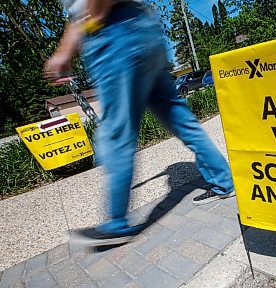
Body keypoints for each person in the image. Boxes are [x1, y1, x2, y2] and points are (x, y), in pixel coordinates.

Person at [44, 0, 234, 246]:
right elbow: (75, 16)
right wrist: (64, 53)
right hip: (142, 31)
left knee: (118, 133)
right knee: (181, 119)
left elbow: (85, 12)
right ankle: (224, 181)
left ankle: (116, 224)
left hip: (115, 35)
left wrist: (94, 22)